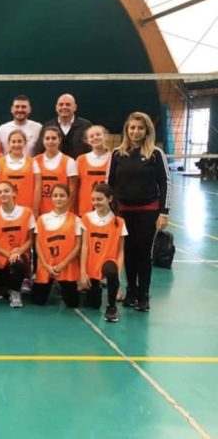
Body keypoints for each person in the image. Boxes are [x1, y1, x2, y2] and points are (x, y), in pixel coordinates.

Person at [107, 111, 170, 312]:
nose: (136, 131)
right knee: (128, 253)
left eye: (140, 128)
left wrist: (164, 212)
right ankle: (131, 291)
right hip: (123, 213)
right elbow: (109, 184)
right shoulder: (116, 154)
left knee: (143, 253)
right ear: (127, 130)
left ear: (147, 131)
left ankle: (143, 294)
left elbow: (165, 183)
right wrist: (109, 212)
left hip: (147, 212)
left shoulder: (156, 154)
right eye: (132, 127)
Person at [80, 183, 126, 323]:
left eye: (100, 199)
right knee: (93, 304)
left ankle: (111, 307)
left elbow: (120, 251)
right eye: (93, 199)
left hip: (108, 261)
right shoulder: (87, 219)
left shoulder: (119, 222)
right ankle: (95, 288)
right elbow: (85, 246)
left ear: (109, 199)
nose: (96, 202)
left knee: (111, 271)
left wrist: (117, 275)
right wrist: (83, 272)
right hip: (92, 264)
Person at [32, 184, 82, 307]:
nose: (58, 199)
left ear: (68, 198)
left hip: (66, 267)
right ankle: (51, 283)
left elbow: (77, 246)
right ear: (51, 198)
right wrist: (46, 266)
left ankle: (68, 286)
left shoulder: (75, 220)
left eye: (62, 196)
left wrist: (62, 265)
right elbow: (37, 244)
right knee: (39, 301)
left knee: (72, 303)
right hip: (47, 266)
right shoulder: (42, 219)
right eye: (55, 196)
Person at [0, 181, 35, 308]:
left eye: (6, 191)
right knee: (3, 291)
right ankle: (4, 283)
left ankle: (16, 292)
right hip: (0, 256)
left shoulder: (27, 212)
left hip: (19, 254)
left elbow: (31, 240)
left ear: (14, 193)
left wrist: (18, 251)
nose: (3, 194)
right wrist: (8, 254)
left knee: (18, 264)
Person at [0, 129, 41, 214]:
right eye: (13, 141)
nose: (16, 145)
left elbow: (37, 188)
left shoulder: (33, 162)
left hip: (26, 210)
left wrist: (35, 209)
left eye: (19, 141)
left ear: (25, 143)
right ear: (8, 143)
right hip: (4, 210)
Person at [34, 127, 78, 214]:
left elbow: (72, 190)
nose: (50, 141)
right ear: (43, 141)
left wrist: (67, 210)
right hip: (41, 210)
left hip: (61, 211)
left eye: (54, 138)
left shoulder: (69, 161)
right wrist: (35, 209)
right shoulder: (35, 161)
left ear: (59, 140)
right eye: (47, 138)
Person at [34, 94, 92, 158]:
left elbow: (92, 149)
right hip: (54, 164)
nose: (64, 107)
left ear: (75, 107)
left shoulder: (86, 125)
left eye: (68, 104)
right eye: (61, 104)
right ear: (56, 108)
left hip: (80, 164)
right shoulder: (47, 126)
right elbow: (40, 150)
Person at [76, 125, 111, 214]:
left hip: (106, 209)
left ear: (105, 136)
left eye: (98, 134)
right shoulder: (81, 160)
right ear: (87, 141)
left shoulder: (112, 158)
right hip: (85, 208)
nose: (95, 137)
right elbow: (76, 185)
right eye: (91, 136)